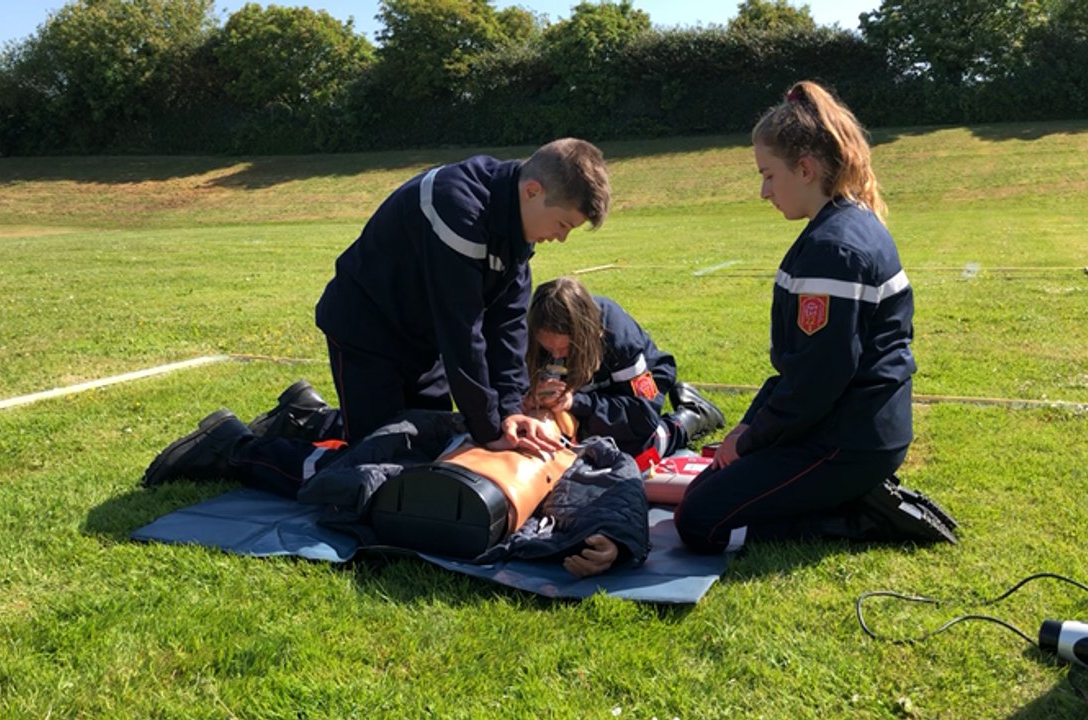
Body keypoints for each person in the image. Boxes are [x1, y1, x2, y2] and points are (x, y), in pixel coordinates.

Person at [674, 81, 956, 554]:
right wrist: (747, 429)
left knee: (700, 519)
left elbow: (818, 380)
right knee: (707, 489)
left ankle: (859, 513)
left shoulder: (834, 247)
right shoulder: (841, 225)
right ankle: (842, 496)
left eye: (768, 175)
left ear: (804, 169)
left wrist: (749, 440)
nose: (763, 191)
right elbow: (803, 372)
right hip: (841, 423)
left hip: (848, 440)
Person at [311, 138, 611, 456]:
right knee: (375, 459)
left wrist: (511, 412)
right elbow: (463, 332)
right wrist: (488, 429)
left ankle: (303, 418)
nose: (562, 238)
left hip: (422, 342)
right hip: (367, 333)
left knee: (430, 450)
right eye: (563, 224)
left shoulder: (517, 224)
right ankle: (255, 452)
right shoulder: (456, 208)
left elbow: (508, 324)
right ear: (532, 191)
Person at [139, 404, 646, 579]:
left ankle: (295, 417)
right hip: (433, 458)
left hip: (469, 492)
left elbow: (623, 488)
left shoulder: (584, 453)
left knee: (341, 473)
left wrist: (613, 538)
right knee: (335, 474)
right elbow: (409, 432)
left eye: (553, 416)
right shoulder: (481, 423)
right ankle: (236, 446)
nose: (543, 418)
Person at [521, 276, 725, 462]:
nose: (556, 355)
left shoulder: (620, 338)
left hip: (638, 387)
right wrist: (528, 396)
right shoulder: (530, 336)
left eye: (565, 348)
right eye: (548, 348)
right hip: (588, 397)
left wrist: (578, 402)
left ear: (586, 335)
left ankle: (692, 416)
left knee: (635, 454)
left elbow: (642, 416)